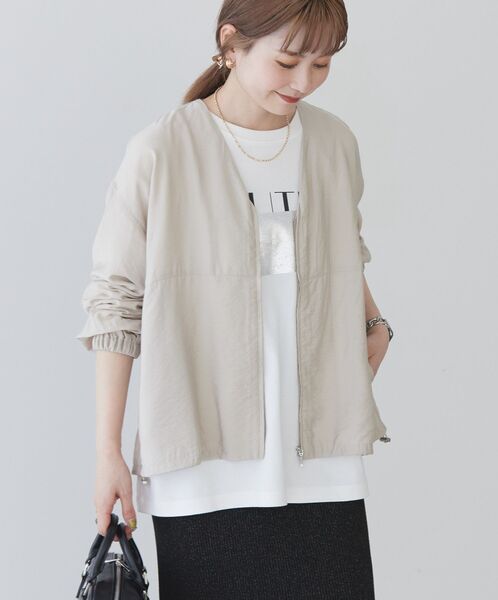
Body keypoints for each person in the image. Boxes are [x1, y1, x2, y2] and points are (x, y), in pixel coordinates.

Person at [76, 1, 394, 598]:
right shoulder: (162, 150)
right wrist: (107, 451)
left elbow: (341, 248)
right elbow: (116, 305)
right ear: (231, 44)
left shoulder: (333, 142)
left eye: (322, 64)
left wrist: (374, 321)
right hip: (203, 464)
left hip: (321, 461)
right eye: (288, 62)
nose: (304, 82)